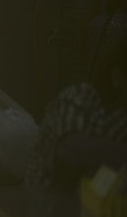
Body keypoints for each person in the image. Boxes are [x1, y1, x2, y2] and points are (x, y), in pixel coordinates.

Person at [24, 34, 127, 187]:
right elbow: (69, 150)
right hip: (40, 205)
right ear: (117, 77)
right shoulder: (81, 97)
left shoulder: (121, 120)